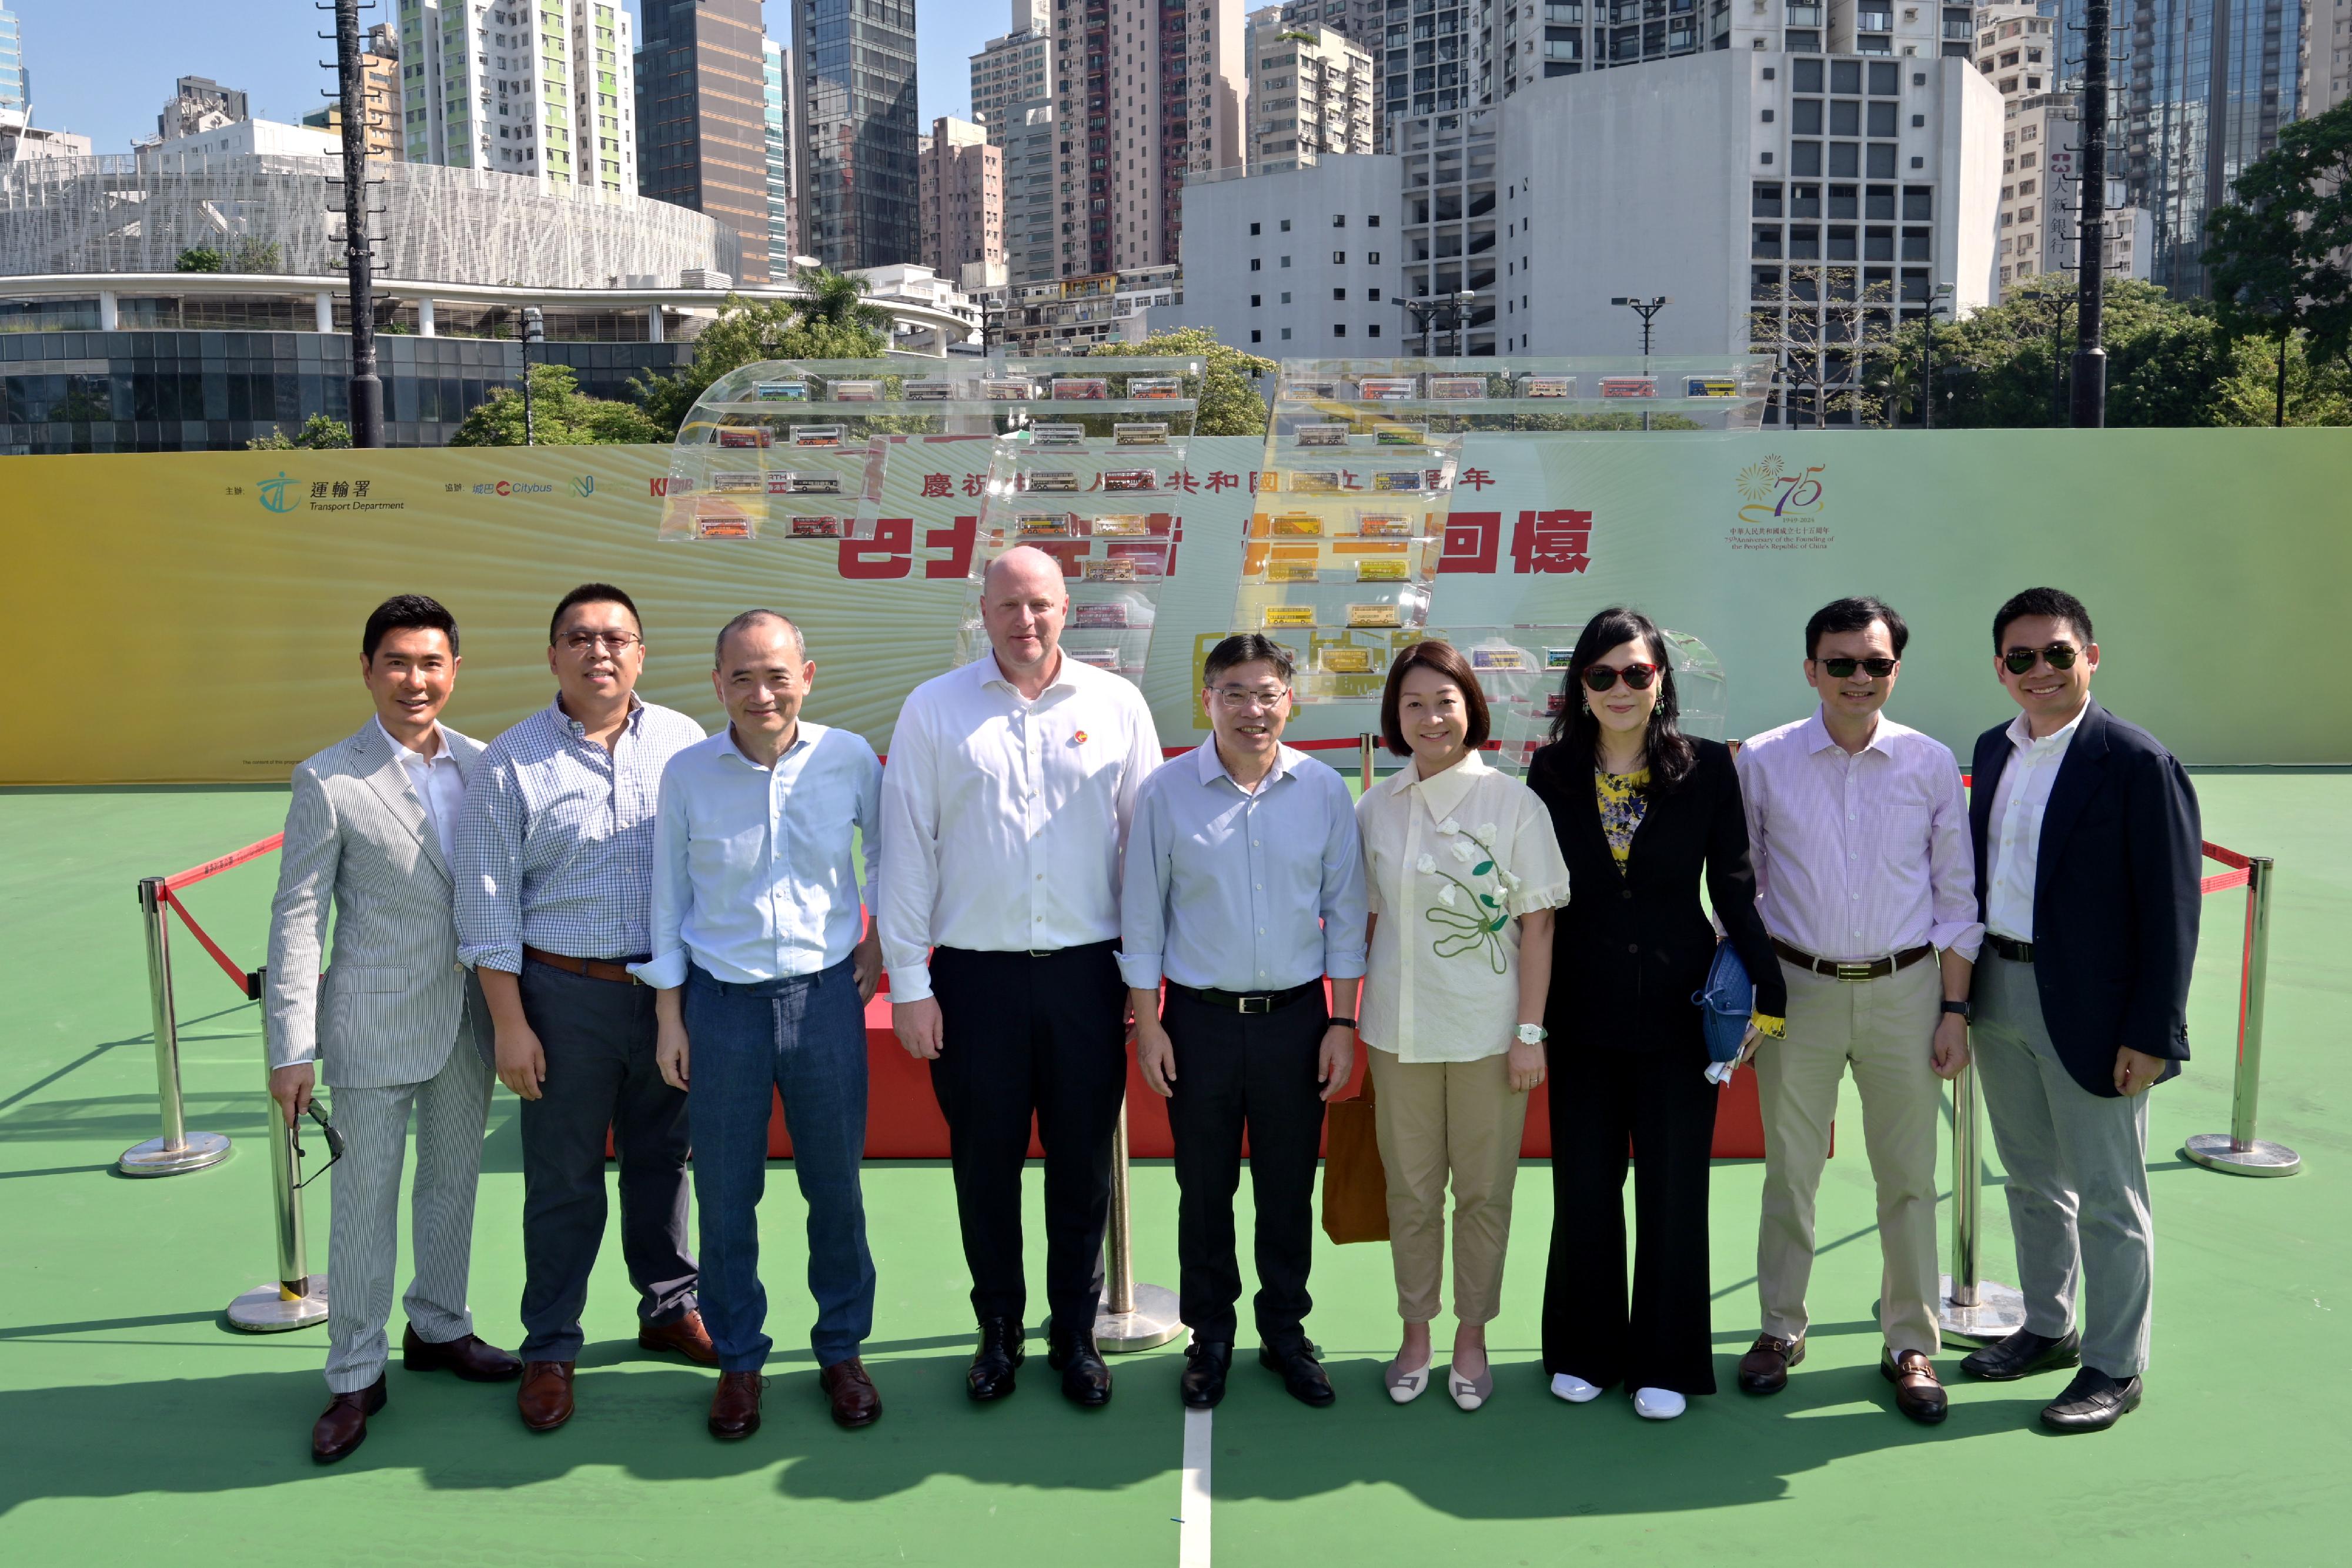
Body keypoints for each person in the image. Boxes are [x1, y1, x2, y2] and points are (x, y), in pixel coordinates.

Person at [877, 545, 1162, 1408]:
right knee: (985, 1165)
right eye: (1008, 607)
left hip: (1087, 978)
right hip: (974, 982)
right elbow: (906, 851)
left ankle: (1073, 1335)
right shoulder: (934, 710)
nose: (1025, 621)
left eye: (1040, 604)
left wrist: (1144, 985)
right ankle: (997, 1330)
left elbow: (1144, 854)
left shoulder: (1116, 704)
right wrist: (909, 984)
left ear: (1067, 608)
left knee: (1082, 1167)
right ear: (984, 614)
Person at [266, 594, 521, 1463]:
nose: (417, 680)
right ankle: (352, 1373)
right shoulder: (327, 778)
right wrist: (290, 1046)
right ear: (369, 670)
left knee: (453, 1183)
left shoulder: (488, 765)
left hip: (468, 1022)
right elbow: (298, 919)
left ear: (455, 670)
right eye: (398, 663)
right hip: (370, 1023)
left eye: (432, 663)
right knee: (363, 1201)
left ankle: (441, 1327)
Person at [455, 583, 713, 1434]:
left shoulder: (683, 742)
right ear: (553, 655)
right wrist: (510, 1022)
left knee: (664, 1161)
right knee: (563, 1179)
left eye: (617, 638)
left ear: (641, 654)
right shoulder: (510, 761)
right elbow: (488, 905)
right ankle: (552, 1343)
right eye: (580, 638)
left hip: (669, 994)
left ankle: (670, 1306)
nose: (599, 652)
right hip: (562, 997)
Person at [1527, 606, 1783, 1422]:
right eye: (1601, 675)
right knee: (1587, 1187)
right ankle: (1583, 1349)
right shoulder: (1551, 770)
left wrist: (1770, 998)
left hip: (1682, 1014)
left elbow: (1735, 889)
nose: (1620, 689)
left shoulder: (1707, 767)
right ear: (1580, 686)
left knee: (1675, 1192)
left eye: (1636, 672)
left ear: (1661, 678)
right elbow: (1537, 901)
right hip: (1581, 1013)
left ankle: (1667, 1359)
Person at [1732, 596, 1982, 1425]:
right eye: (1840, 663)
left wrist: (1953, 1008)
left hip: (1907, 991)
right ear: (1811, 670)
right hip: (1796, 992)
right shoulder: (1763, 761)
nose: (1858, 678)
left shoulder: (1930, 762)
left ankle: (1909, 1341)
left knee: (1910, 1178)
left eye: (1875, 664)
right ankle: (1779, 1328)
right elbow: (1743, 886)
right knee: (1790, 1173)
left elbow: (1956, 897)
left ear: (1895, 670)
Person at [637, 611, 887, 1439]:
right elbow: (668, 896)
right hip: (722, 1007)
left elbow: (887, 857)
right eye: (741, 677)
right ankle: (740, 1361)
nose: (760, 692)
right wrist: (671, 1015)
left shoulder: (849, 758)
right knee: (726, 1193)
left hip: (823, 1004)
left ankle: (842, 1350)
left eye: (775, 674)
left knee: (836, 1187)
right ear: (717, 685)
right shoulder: (688, 773)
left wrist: (878, 941)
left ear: (806, 676)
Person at [1961, 587, 2200, 1433]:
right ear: (2001, 670)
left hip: (2095, 1010)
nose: (2041, 672)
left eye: (2058, 654)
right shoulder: (1994, 751)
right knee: (2029, 1178)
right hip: (2000, 992)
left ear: (2090, 658)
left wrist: (2153, 1033)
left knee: (2107, 1193)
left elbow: (2172, 908)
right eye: (2021, 658)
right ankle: (2049, 1326)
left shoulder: (2136, 762)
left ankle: (2115, 1363)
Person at [1122, 634, 1368, 1410]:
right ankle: (1212, 1335)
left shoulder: (1325, 789)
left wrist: (1343, 1022)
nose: (1252, 710)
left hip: (1298, 1022)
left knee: (1289, 1187)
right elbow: (1142, 918)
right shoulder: (1166, 792)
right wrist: (1149, 1025)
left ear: (1289, 700)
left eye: (1267, 693)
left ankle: (1286, 1334)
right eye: (1235, 692)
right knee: (1205, 1188)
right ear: (1208, 699)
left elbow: (1349, 915)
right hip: (1197, 1022)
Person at [1355, 640, 1568, 1413]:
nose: (1430, 717)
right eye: (1413, 704)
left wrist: (1529, 1033)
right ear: (1396, 717)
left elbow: (1538, 928)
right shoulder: (1375, 807)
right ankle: (1416, 1332)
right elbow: (1360, 918)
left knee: (1483, 1194)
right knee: (1410, 1194)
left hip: (1489, 1038)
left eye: (1444, 701)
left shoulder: (1514, 804)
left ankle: (1472, 1338)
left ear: (1470, 709)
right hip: (1396, 1033)